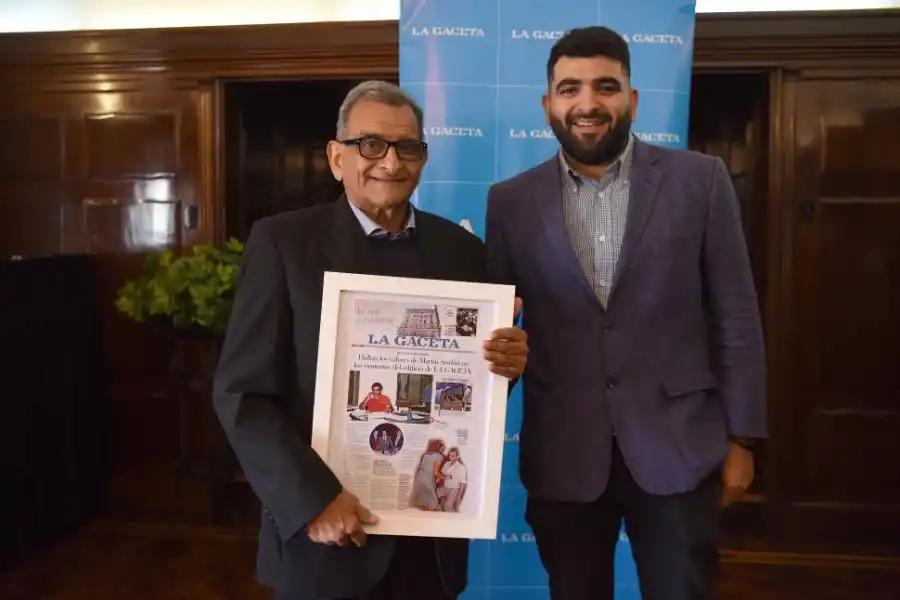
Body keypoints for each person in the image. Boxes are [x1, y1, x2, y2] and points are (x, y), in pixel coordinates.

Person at [213, 80, 529, 600]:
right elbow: (241, 395)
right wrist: (311, 501)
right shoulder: (283, 243)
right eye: (371, 144)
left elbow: (467, 397)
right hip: (326, 538)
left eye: (409, 147)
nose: (391, 161)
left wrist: (504, 368)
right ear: (337, 158)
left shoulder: (464, 251)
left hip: (428, 543)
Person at [484, 26, 766, 600]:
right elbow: (499, 328)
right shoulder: (509, 201)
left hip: (679, 450)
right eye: (569, 89)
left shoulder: (701, 180)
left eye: (606, 87)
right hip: (564, 456)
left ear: (633, 101)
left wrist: (744, 439)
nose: (587, 103)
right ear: (548, 105)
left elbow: (736, 318)